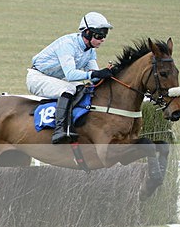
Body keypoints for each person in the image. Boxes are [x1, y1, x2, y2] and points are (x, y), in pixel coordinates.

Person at [26, 12, 114, 144]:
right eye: (99, 35)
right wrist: (95, 74)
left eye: (104, 36)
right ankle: (60, 131)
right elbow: (71, 75)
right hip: (37, 77)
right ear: (87, 33)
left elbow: (94, 77)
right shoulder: (68, 44)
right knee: (69, 89)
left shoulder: (90, 51)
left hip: (56, 79)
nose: (103, 39)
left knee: (82, 88)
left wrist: (110, 74)